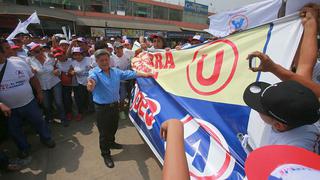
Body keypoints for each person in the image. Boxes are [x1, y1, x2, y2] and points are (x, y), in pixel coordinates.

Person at [87, 49, 152, 168]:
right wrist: (90, 84)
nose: (104, 62)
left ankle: (111, 143)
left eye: (106, 59)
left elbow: (131, 74)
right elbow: (91, 81)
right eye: (101, 60)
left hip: (114, 106)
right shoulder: (94, 72)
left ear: (109, 60)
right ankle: (105, 153)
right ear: (96, 61)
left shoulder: (116, 71)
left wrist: (146, 74)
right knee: (104, 132)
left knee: (114, 126)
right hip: (102, 108)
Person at [0, 39, 55, 158]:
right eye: (7, 48)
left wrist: (39, 92)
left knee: (39, 122)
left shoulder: (18, 62)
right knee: (15, 130)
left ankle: (46, 138)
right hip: (10, 109)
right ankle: (24, 147)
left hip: (29, 103)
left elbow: (33, 78)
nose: (11, 50)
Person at [243, 80, 320, 154]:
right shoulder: (309, 113)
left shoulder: (290, 152)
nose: (257, 112)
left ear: (278, 125)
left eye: (259, 110)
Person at [27, 42, 68, 127]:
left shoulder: (50, 56)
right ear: (31, 53)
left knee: (59, 102)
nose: (38, 53)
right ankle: (49, 119)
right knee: (46, 105)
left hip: (55, 82)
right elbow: (29, 74)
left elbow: (59, 66)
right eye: (34, 52)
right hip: (43, 86)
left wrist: (58, 72)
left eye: (39, 50)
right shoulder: (29, 61)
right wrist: (32, 72)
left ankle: (63, 119)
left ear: (42, 50)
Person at [112, 42, 135, 120]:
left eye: (120, 48)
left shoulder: (127, 53)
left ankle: (128, 108)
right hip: (119, 81)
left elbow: (138, 52)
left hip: (130, 79)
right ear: (114, 49)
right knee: (121, 97)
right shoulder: (112, 58)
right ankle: (120, 110)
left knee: (129, 95)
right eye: (117, 48)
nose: (119, 50)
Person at [70, 47, 92, 121]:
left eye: (79, 54)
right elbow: (70, 70)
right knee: (80, 99)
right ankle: (80, 113)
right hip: (80, 83)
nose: (77, 56)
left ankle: (89, 109)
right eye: (75, 55)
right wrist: (72, 72)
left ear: (83, 54)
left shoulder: (89, 59)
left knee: (90, 98)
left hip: (91, 82)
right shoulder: (73, 62)